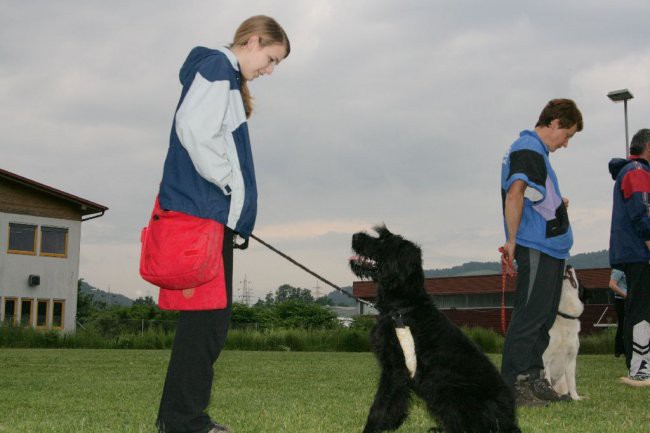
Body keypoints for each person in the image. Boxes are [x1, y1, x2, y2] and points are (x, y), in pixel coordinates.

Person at [155, 16, 290, 433]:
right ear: (253, 41)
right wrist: (230, 186)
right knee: (207, 323)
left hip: (210, 217)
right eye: (270, 58)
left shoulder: (226, 79)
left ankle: (179, 419)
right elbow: (193, 130)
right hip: (202, 215)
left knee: (206, 323)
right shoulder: (216, 67)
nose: (268, 70)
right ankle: (184, 422)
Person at [500, 98, 583, 406]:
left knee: (544, 315)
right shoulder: (528, 147)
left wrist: (556, 205)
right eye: (568, 135)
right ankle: (515, 383)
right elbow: (516, 192)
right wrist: (512, 240)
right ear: (555, 122)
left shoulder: (537, 153)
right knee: (530, 314)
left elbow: (534, 196)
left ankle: (534, 378)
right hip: (535, 245)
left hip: (550, 246)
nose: (566, 143)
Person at [608, 128, 650, 387]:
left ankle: (640, 364)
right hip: (640, 251)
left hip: (635, 251)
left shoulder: (634, 170)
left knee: (640, 306)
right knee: (642, 308)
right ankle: (640, 368)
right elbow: (642, 213)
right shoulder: (637, 171)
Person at [608, 268, 627, 357]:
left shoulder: (629, 268)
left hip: (628, 301)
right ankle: (620, 351)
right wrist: (626, 295)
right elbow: (612, 285)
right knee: (623, 325)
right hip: (621, 301)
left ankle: (626, 350)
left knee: (628, 325)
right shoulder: (619, 269)